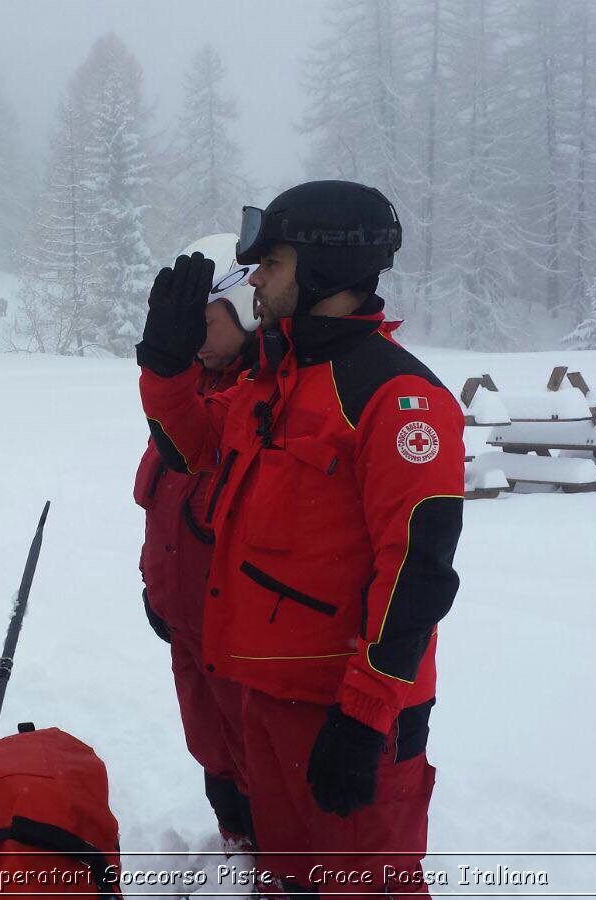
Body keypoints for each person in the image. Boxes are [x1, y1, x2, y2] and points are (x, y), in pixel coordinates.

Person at [136, 181, 464, 895]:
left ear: (324, 271)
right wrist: (165, 368)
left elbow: (417, 571)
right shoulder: (275, 382)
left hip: (346, 710)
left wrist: (365, 718)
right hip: (266, 696)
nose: (256, 279)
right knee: (289, 883)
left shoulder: (398, 397)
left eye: (272, 264)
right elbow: (193, 454)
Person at [133, 234, 259, 852]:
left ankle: (272, 864)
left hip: (239, 632)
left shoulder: (258, 393)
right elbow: (163, 503)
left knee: (255, 753)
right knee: (211, 745)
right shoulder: (198, 388)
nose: (198, 341)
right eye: (191, 328)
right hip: (186, 620)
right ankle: (235, 847)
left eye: (208, 324)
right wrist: (154, 587)